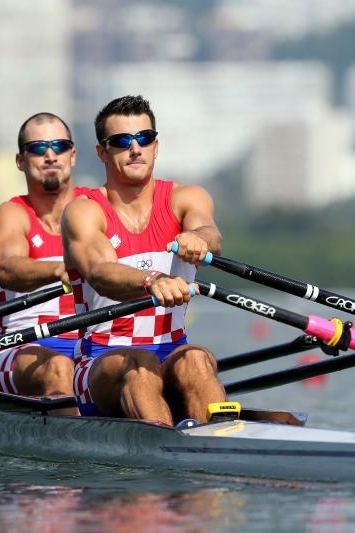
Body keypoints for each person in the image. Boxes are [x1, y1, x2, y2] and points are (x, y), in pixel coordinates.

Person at [62, 95, 226, 426]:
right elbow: (100, 271)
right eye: (122, 141)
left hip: (172, 352)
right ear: (102, 152)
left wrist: (197, 239)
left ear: (156, 146)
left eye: (144, 138)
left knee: (196, 358)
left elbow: (211, 234)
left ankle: (218, 451)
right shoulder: (84, 211)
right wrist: (150, 281)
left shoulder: (186, 198)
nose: (135, 148)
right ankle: (169, 456)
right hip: (100, 362)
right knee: (138, 363)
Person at [0, 112, 88, 414]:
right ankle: (78, 457)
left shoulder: (96, 208)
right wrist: (60, 270)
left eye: (59, 145)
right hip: (22, 347)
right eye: (37, 148)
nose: (50, 155)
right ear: (21, 161)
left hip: (92, 342)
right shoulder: (11, 215)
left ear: (73, 155)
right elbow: (7, 268)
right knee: (58, 367)